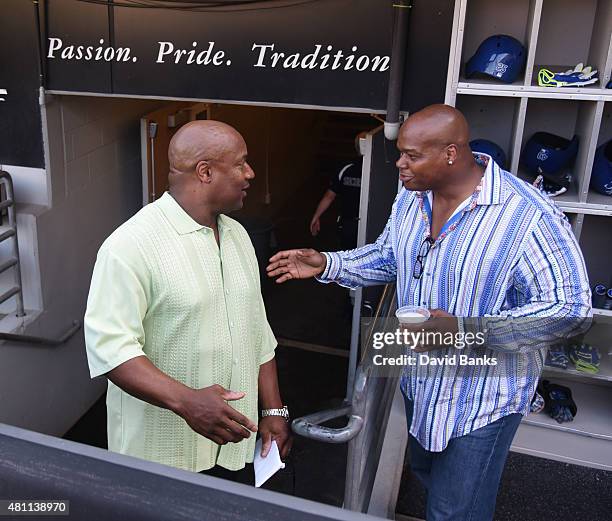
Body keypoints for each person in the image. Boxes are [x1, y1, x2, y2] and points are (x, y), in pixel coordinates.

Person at [267, 105, 591, 520]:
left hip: (482, 400)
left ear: (452, 154)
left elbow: (571, 310)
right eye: (400, 152)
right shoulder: (411, 196)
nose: (400, 164)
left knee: (454, 511)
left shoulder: (527, 216)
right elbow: (389, 256)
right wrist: (328, 265)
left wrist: (464, 330)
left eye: (412, 155)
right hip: (420, 383)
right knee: (426, 472)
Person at [84, 120, 291, 485]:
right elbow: (111, 350)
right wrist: (187, 401)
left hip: (233, 447)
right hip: (160, 459)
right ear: (205, 172)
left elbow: (258, 331)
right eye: (241, 163)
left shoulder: (238, 235)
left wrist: (274, 409)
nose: (250, 173)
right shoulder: (130, 246)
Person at [309, 132, 367, 250]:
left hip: (368, 222)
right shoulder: (346, 169)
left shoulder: (378, 170)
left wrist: (316, 216)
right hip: (348, 223)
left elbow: (329, 196)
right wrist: (316, 216)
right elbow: (329, 196)